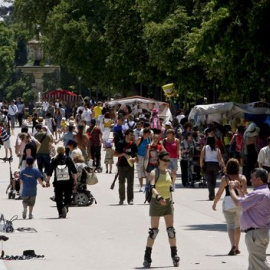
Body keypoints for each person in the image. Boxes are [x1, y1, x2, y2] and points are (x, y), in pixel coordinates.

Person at [143, 151, 180, 268]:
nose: (167, 162)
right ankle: (147, 256)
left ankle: (174, 255)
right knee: (154, 231)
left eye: (168, 160)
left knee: (171, 230)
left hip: (168, 202)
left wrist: (173, 179)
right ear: (159, 160)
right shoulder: (155, 172)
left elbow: (171, 188)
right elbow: (152, 187)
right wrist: (159, 197)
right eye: (165, 160)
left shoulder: (169, 172)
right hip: (156, 203)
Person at [229, 168, 270, 270]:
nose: (250, 180)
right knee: (254, 264)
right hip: (260, 232)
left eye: (252, 177)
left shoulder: (259, 193)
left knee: (259, 264)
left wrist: (230, 189)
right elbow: (247, 201)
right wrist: (239, 190)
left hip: (255, 234)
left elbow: (238, 203)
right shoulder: (264, 192)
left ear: (259, 179)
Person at [212, 158, 247, 255]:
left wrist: (215, 202)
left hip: (228, 203)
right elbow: (244, 192)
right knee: (237, 226)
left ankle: (233, 246)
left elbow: (219, 192)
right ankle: (237, 246)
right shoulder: (242, 178)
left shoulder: (225, 178)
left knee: (230, 226)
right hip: (239, 202)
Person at [46, 146, 78, 218]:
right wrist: (75, 180)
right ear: (64, 151)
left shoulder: (54, 160)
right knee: (68, 195)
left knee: (58, 197)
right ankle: (66, 206)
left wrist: (47, 181)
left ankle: (60, 212)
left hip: (58, 182)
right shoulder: (68, 159)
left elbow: (50, 172)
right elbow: (74, 171)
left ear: (57, 151)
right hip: (68, 181)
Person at [114, 129, 138, 205]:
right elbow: (115, 154)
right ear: (126, 135)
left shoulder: (133, 144)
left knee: (130, 184)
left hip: (130, 166)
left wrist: (135, 159)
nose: (132, 136)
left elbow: (136, 157)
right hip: (121, 166)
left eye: (132, 135)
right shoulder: (120, 143)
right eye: (131, 135)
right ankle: (121, 199)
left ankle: (130, 199)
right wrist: (123, 154)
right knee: (121, 183)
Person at [200, 136, 225, 200]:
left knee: (209, 180)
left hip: (208, 164)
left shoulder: (205, 148)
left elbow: (202, 157)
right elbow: (220, 158)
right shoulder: (217, 149)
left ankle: (211, 194)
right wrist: (223, 166)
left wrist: (201, 165)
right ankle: (212, 193)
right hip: (215, 165)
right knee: (214, 179)